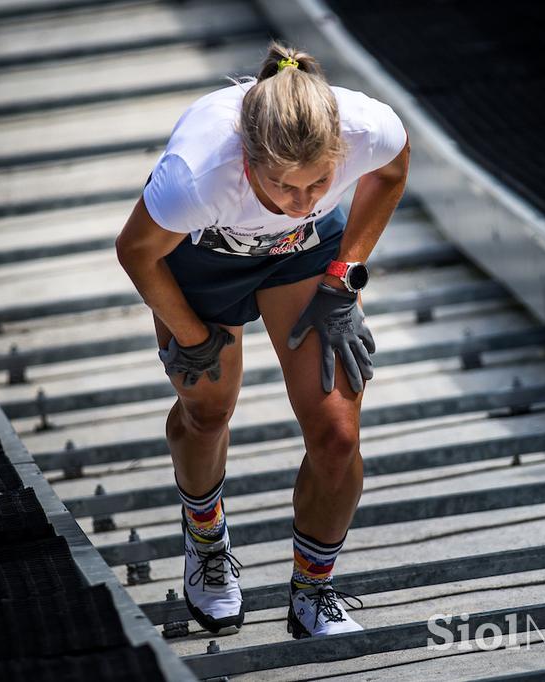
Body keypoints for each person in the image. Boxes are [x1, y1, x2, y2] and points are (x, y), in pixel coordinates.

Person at [115, 41, 410, 639]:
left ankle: (313, 590)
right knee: (209, 409)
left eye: (319, 183)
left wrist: (344, 276)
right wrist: (193, 337)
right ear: (248, 161)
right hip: (201, 262)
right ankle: (205, 539)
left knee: (337, 435)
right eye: (283, 187)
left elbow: (393, 171)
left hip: (304, 256)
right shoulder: (197, 176)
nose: (301, 199)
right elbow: (136, 251)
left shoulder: (365, 127)